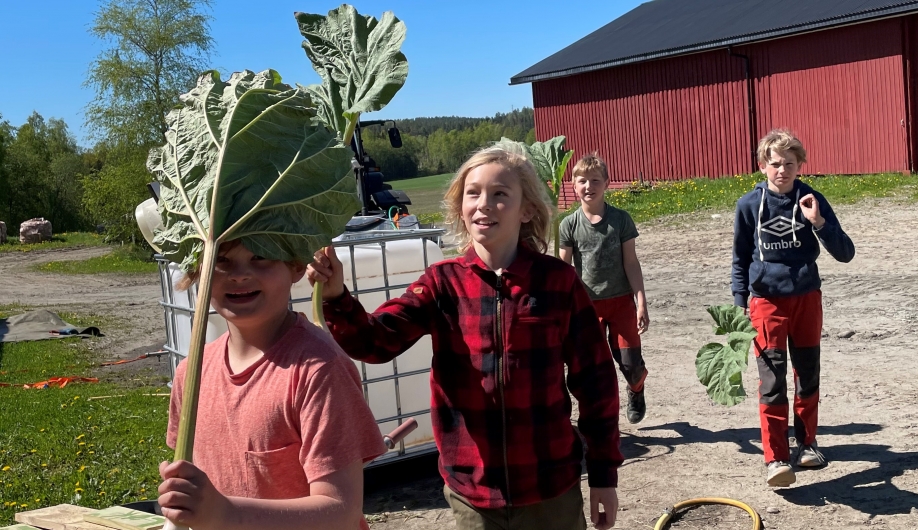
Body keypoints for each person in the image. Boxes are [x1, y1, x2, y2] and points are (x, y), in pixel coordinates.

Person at [308, 144, 624, 530]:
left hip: (550, 486)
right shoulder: (442, 284)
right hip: (473, 492)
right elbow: (376, 342)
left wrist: (604, 474)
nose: (484, 204)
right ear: (461, 205)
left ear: (527, 210)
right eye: (473, 193)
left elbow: (596, 382)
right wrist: (338, 297)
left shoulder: (558, 283)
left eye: (500, 194)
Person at [159, 240, 387, 530]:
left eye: (262, 255)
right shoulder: (191, 373)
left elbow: (340, 511)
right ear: (197, 272)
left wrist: (226, 514)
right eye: (223, 260)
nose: (239, 274)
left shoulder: (318, 370)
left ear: (294, 266)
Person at [731, 129, 855, 488]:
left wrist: (819, 223)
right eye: (774, 164)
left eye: (789, 163)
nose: (782, 170)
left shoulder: (812, 199)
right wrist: (740, 300)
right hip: (766, 303)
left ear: (801, 165)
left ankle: (807, 444)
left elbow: (846, 253)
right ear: (761, 166)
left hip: (806, 299)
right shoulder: (748, 206)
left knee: (807, 376)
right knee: (772, 381)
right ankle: (776, 458)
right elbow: (739, 258)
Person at [559, 153, 650, 425]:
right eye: (582, 181)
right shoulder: (569, 224)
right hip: (587, 307)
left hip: (622, 302)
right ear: (574, 186)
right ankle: (600, 418)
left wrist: (641, 301)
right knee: (593, 369)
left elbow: (631, 263)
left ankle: (636, 389)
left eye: (595, 180)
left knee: (631, 364)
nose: (589, 186)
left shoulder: (620, 220)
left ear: (607, 183)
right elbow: (564, 269)